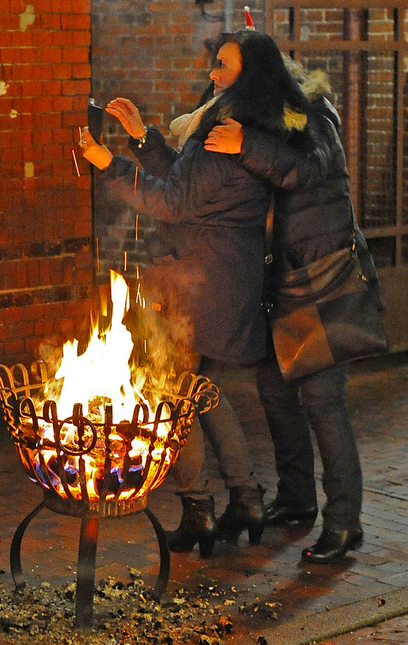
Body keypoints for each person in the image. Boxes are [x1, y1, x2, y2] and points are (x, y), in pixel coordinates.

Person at [79, 32, 312, 555]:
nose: (213, 73)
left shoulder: (228, 133)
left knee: (173, 397)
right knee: (203, 394)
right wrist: (143, 138)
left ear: (249, 73)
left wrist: (105, 164)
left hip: (204, 286)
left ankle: (198, 507)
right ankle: (247, 499)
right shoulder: (242, 132)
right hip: (227, 280)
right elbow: (188, 182)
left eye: (224, 65)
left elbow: (171, 203)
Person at [205, 56, 381, 563]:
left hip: (320, 278)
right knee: (275, 391)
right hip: (279, 279)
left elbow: (308, 170)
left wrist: (248, 146)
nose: (216, 81)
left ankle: (345, 523)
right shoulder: (259, 118)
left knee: (324, 402)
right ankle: (297, 499)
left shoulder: (313, 112)